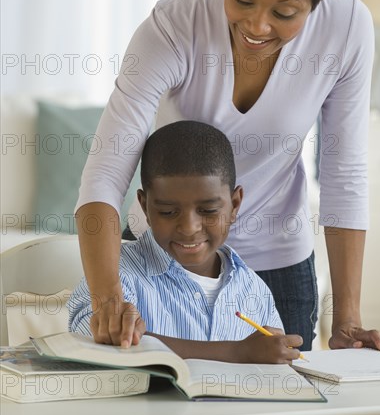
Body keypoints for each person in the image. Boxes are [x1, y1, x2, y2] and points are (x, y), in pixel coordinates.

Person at [75, 0, 380, 354]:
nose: (256, 24)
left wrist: (347, 320)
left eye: (285, 12)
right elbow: (105, 176)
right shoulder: (174, 29)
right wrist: (108, 297)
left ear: (317, 3)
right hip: (165, 258)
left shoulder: (346, 30)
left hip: (278, 261)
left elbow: (345, 173)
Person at [69, 121, 301, 363]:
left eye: (209, 210)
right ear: (144, 206)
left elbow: (276, 362)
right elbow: (90, 346)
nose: (189, 228)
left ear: (235, 205)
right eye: (168, 212)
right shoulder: (113, 278)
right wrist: (237, 353)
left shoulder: (254, 289)